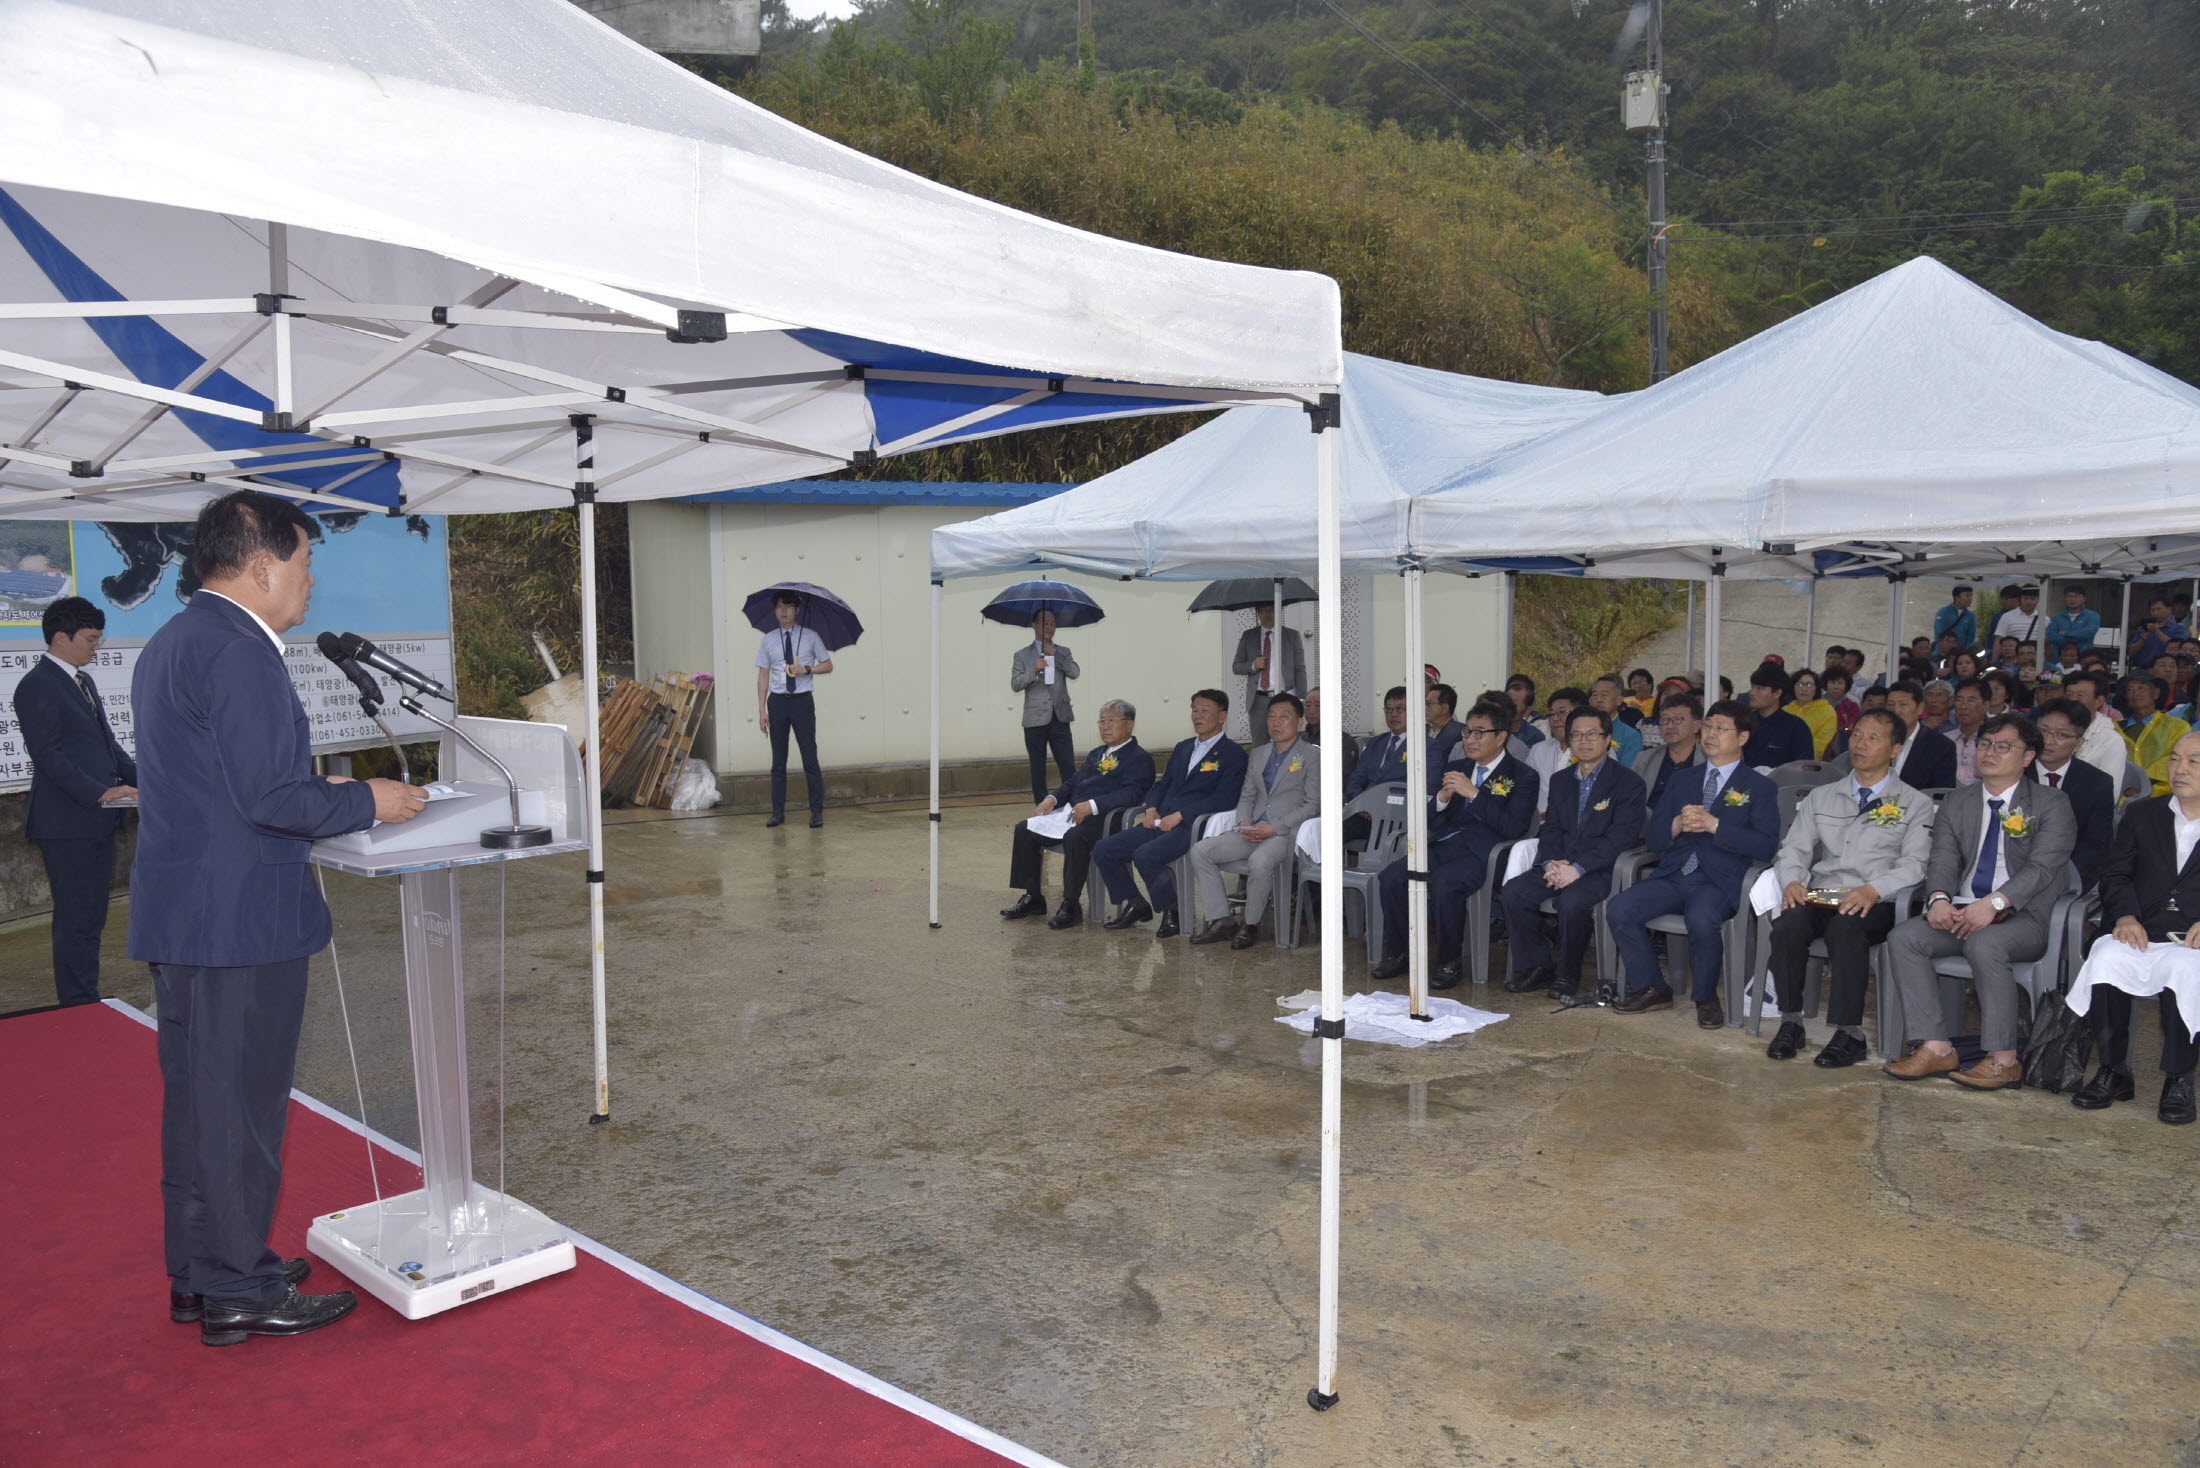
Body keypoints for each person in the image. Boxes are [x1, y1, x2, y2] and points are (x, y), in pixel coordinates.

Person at [133, 489, 427, 1347]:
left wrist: (324, 793)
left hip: (189, 914)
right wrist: (366, 798)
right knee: (238, 1110)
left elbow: (219, 784)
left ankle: (203, 1272)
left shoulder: (178, 639)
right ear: (260, 566)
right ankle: (237, 1287)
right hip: (239, 922)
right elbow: (266, 797)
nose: (309, 584)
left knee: (199, 1104)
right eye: (304, 565)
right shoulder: (240, 651)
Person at [1882, 714, 2076, 1089]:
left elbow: (2042, 867)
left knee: (1987, 943)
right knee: (1905, 937)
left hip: (2025, 917)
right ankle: (1937, 1047)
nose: (1989, 752)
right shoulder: (1959, 801)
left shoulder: (2052, 803)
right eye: (1984, 744)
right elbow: (1942, 858)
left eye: (2003, 746)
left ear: (2027, 757)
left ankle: (2004, 1060)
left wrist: (1996, 904)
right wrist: (1938, 900)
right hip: (1963, 910)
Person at [1762, 708, 1936, 1068]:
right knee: (1788, 925)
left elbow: (1915, 865)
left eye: (1874, 737)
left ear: (1895, 749)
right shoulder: (1822, 796)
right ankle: (1791, 1021)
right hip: (1825, 892)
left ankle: (1850, 1032)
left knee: (1847, 928)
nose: (1861, 743)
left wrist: (1874, 889)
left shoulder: (1914, 803)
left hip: (1877, 899)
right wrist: (1793, 879)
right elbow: (1794, 848)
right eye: (1857, 734)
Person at [1607, 700, 1781, 1027]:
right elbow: (1655, 839)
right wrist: (1675, 824)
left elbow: (1766, 846)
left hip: (1719, 880)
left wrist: (1717, 826)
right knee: (1619, 908)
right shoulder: (1683, 780)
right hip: (1674, 874)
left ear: (1742, 738)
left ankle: (1705, 996)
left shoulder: (1760, 787)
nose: (1711, 734)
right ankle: (1652, 986)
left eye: (1721, 728)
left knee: (1702, 917)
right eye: (1709, 726)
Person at [2064, 730, 2200, 1124]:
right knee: (2106, 955)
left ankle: (2179, 1078)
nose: (2180, 769)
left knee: (2185, 969)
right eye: (2175, 759)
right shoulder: (2144, 814)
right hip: (2142, 926)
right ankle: (2113, 1070)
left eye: (2194, 761)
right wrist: (2124, 915)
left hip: (2192, 939)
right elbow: (2116, 873)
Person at [14, 596, 136, 1007]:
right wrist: (100, 792)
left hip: (96, 821)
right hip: (66, 824)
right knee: (75, 919)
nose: (95, 647)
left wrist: (152, 782)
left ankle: (85, 996)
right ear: (61, 637)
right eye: (90, 639)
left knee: (92, 917)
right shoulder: (37, 685)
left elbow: (109, 747)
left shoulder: (83, 681)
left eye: (98, 639)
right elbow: (48, 756)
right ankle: (78, 1004)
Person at [1368, 702, 1538, 987]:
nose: (1470, 740)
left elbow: (1514, 827)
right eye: (1467, 732)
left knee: (1446, 883)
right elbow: (1429, 818)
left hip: (1486, 854)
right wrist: (1444, 798)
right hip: (1444, 845)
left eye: (1479, 733)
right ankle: (1399, 953)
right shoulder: (1457, 767)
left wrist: (1474, 794)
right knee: (1393, 877)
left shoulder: (1523, 776)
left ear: (1501, 736)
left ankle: (1449, 961)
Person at [1499, 707, 1646, 1001]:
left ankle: (1568, 973)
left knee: (1572, 902)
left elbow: (1622, 837)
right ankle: (1539, 965)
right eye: (1577, 734)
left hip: (1599, 868)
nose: (1584, 741)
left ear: (1607, 739)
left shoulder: (1629, 783)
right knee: (1513, 892)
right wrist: (1550, 863)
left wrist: (1578, 868)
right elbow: (1551, 828)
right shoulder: (1561, 779)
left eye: (1592, 734)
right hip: (1559, 862)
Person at [1093, 689, 1244, 937]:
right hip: (1161, 819)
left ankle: (1173, 912)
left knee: (1145, 855)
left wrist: (1182, 814)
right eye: (1194, 709)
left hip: (1192, 826)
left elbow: (1225, 798)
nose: (1197, 715)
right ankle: (1136, 904)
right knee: (1104, 849)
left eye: (1205, 710)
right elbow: (1163, 784)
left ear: (1222, 716)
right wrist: (1151, 807)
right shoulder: (1183, 748)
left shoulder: (1233, 754)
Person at [1000, 699, 1155, 929]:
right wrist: (1052, 798)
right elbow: (1073, 782)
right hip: (1073, 813)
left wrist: (1092, 805)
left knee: (1076, 836)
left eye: (1111, 721)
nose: (1105, 726)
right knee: (1025, 828)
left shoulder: (1139, 758)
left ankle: (1071, 904)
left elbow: (1132, 794)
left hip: (1105, 820)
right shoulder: (1096, 754)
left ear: (1130, 724)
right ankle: (1033, 897)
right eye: (1102, 721)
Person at [1189, 694, 1318, 950]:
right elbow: (1247, 794)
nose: (1276, 722)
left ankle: (1250, 924)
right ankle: (1223, 919)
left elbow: (1312, 804)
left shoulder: (1312, 756)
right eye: (1271, 716)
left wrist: (1275, 827)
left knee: (1259, 862)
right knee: (1201, 850)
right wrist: (1244, 823)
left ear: (1300, 721)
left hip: (1286, 833)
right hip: (1253, 829)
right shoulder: (1259, 754)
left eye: (1284, 716)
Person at [755, 589, 833, 828]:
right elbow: (763, 674)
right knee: (778, 761)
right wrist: (761, 710)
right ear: (775, 611)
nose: (784, 611)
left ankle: (816, 812)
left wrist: (806, 670)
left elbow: (828, 665)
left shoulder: (810, 636)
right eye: (779, 607)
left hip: (802, 701)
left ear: (797, 610)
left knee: (810, 757)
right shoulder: (768, 639)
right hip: (777, 702)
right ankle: (778, 812)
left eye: (788, 606)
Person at [2031, 699, 2115, 889]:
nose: (2048, 740)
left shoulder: (2097, 783)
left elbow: (2095, 846)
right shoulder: (2015, 772)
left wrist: (2060, 881)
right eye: (2043, 731)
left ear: (2079, 743)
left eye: (2061, 735)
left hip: (2068, 876)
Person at [1010, 609, 1079, 805]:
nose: (1050, 627)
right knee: (1038, 767)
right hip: (1035, 720)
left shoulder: (1063, 651)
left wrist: (1055, 656)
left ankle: (1071, 805)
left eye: (1052, 623)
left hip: (1060, 716)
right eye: (1045, 623)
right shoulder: (1022, 655)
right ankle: (1042, 807)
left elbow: (1074, 672)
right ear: (1034, 625)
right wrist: (1034, 669)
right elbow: (1015, 684)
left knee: (1067, 765)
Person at [1232, 603, 1304, 734]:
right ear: (1258, 613)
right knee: (1260, 744)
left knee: (1286, 738)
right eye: (1264, 610)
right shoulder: (1248, 636)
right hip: (1259, 699)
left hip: (1285, 696)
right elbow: (1236, 667)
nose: (1268, 614)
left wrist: (1301, 698)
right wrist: (1253, 665)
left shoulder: (1291, 636)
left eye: (1272, 610)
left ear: (1279, 611)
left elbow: (1300, 669)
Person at [2061, 670, 2132, 791]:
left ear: (2099, 701)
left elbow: (2110, 792)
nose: (2072, 700)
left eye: (2079, 695)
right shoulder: (2051, 731)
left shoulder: (2112, 741)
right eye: (2069, 694)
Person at [1634, 690, 1705, 810]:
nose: (1670, 726)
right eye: (1664, 720)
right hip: (1648, 825)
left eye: (1678, 719)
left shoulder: (1709, 761)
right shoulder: (1645, 759)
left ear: (1696, 726)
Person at [2122, 674, 2190, 797]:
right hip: (2121, 800)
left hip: (2162, 799)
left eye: (2141, 688)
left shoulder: (2177, 726)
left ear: (2156, 693)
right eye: (2130, 689)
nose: (2135, 693)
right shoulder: (2116, 727)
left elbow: (2179, 762)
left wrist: (2149, 791)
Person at [1882, 680, 1958, 790]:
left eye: (1903, 704)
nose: (1896, 711)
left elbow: (1940, 794)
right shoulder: (1877, 740)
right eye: (1890, 705)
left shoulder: (1941, 746)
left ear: (1920, 708)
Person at [1524, 686, 1586, 813]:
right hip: (1541, 827)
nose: (1555, 718)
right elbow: (1524, 788)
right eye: (1551, 714)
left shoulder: (1596, 751)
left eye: (1562, 712)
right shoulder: (1538, 750)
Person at [1741, 664, 1814, 769]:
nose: (1752, 693)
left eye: (1759, 688)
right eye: (1752, 687)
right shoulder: (1744, 722)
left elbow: (1805, 769)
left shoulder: (1796, 727)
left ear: (1777, 693)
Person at [1588, 676, 1644, 767]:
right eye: (1595, 695)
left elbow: (1628, 774)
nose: (1598, 700)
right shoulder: (1580, 731)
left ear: (1618, 700)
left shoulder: (1630, 736)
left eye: (1604, 695)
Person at [1784, 667, 1837, 758]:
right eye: (1800, 684)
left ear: (1816, 688)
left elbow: (1822, 744)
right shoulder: (1785, 710)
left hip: (1810, 763)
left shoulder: (1827, 712)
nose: (1804, 689)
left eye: (1808, 685)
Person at [1302, 687, 1358, 770]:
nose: (1311, 710)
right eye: (1308, 705)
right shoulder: (1301, 739)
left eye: (1318, 705)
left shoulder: (1343, 741)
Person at [1948, 677, 1988, 785]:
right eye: (1959, 700)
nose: (1963, 706)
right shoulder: (1944, 740)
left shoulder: (1994, 742)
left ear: (1986, 706)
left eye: (1971, 700)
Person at [2047, 587, 2100, 662]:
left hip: (2083, 659)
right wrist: (2078, 635)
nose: (2073, 599)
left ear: (2084, 599)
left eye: (2077, 596)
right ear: (2064, 598)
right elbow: (2051, 636)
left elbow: (2089, 633)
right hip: (2058, 660)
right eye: (2069, 596)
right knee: (2053, 674)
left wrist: (2066, 633)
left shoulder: (2093, 616)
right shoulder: (2056, 617)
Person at [1424, 682, 1464, 761]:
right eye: (1425, 703)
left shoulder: (1460, 732)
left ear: (1445, 708)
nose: (1425, 708)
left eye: (1429, 704)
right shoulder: (1422, 730)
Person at [1503, 675, 1544, 748]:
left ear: (1528, 710)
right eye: (1507, 700)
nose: (1508, 706)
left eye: (1515, 703)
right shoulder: (1490, 729)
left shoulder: (1534, 737)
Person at [1934, 586, 1978, 652]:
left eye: (1971, 596)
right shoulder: (1943, 612)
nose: (1970, 599)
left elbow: (1970, 637)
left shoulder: (1970, 615)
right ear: (1957, 597)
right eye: (1967, 596)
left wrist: (1964, 651)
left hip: (1960, 652)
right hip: (1943, 651)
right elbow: (1939, 633)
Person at [1824, 666, 1861, 737]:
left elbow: (1853, 727)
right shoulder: (1818, 704)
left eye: (1840, 683)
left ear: (1846, 685)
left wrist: (1843, 731)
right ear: (1825, 684)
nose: (1836, 687)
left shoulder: (1852, 706)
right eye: (1832, 682)